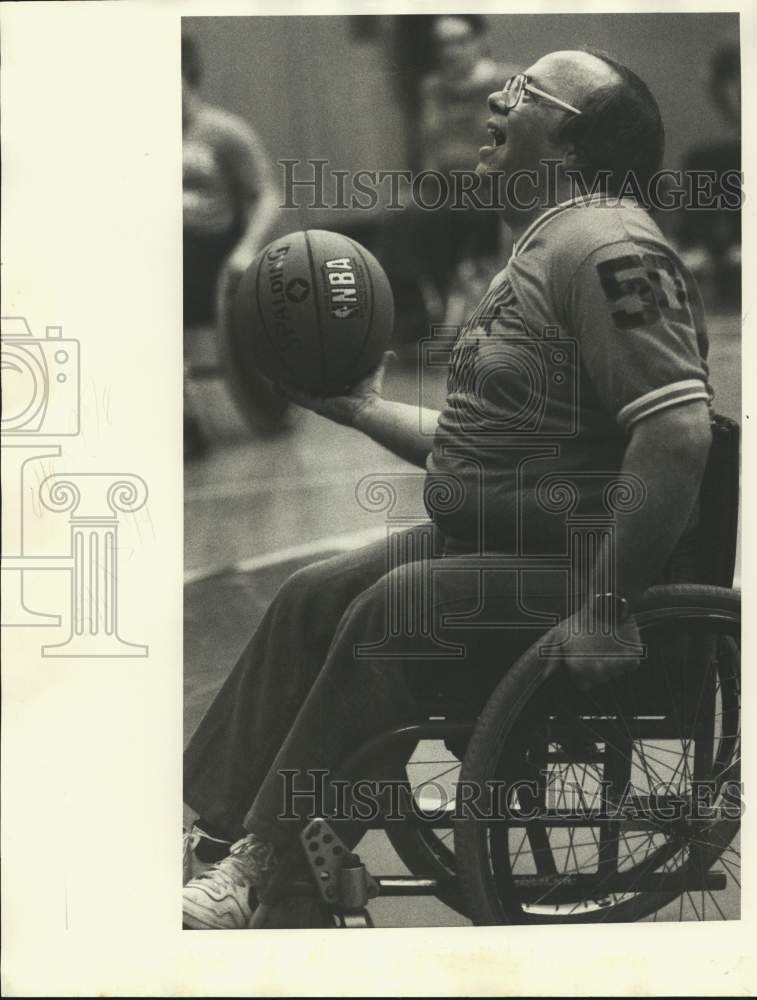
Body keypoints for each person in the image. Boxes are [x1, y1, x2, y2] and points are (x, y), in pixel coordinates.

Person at [182, 49, 714, 929]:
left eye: (526, 90)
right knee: (315, 595)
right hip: (510, 547)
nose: (499, 94)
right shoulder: (542, 246)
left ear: (572, 145)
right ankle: (223, 839)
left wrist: (607, 607)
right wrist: (356, 408)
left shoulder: (605, 243)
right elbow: (475, 450)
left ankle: (270, 861)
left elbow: (677, 431)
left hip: (585, 568)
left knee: (402, 607)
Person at [182, 31, 280, 457]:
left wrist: (247, 248)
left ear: (186, 76)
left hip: (211, 248)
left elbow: (268, 195)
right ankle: (183, 416)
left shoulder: (222, 132)